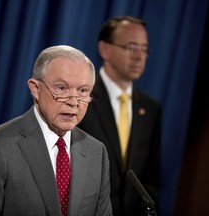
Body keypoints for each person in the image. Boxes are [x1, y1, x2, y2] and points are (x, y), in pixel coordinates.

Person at [0, 45, 113, 216]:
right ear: (35, 89)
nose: (73, 101)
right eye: (62, 88)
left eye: (82, 91)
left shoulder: (96, 151)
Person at [78, 16, 162, 215]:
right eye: (132, 48)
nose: (139, 57)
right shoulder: (81, 97)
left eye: (144, 49)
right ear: (105, 49)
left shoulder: (150, 108)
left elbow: (151, 176)